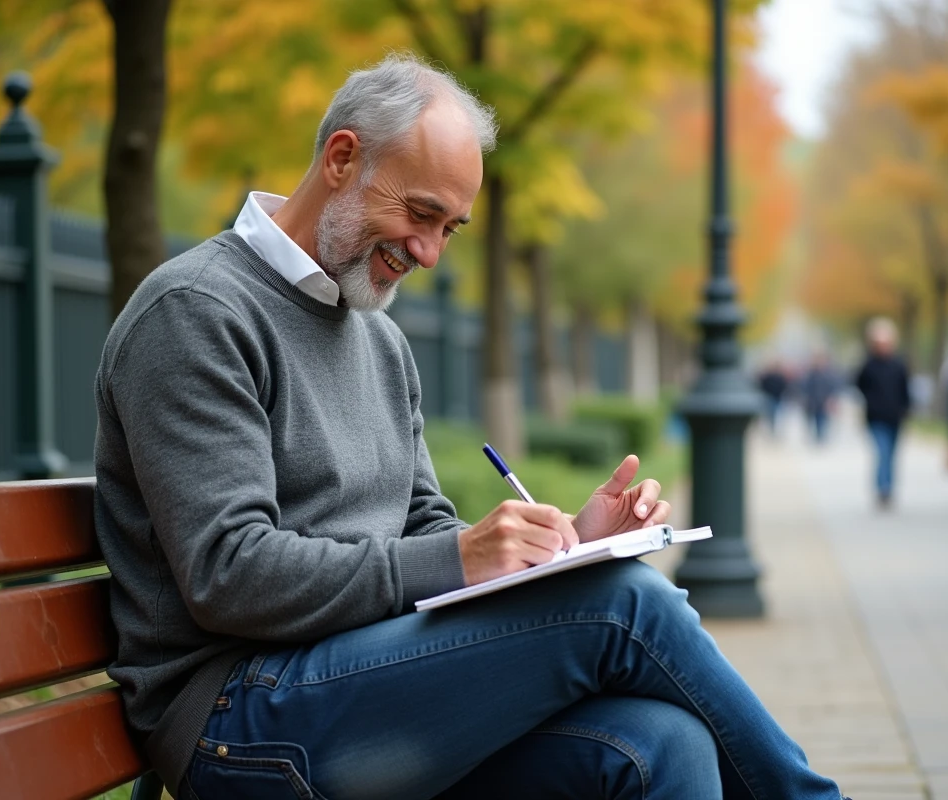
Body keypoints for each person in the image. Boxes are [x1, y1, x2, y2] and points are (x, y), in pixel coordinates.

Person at [94, 55, 848, 800]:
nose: (428, 252)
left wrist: (558, 552)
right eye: (420, 214)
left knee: (659, 745)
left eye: (450, 228)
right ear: (342, 157)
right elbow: (230, 574)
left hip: (358, 680)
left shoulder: (375, 337)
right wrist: (461, 559)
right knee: (624, 603)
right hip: (240, 716)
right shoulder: (196, 312)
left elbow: (420, 524)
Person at [854, 318, 910, 508]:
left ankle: (889, 486)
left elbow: (905, 389)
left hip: (895, 417)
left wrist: (906, 409)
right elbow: (858, 384)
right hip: (876, 417)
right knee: (882, 452)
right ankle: (882, 489)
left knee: (892, 455)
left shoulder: (898, 364)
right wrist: (871, 400)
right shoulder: (868, 365)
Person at [802, 351, 840, 444]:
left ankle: (821, 436)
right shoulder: (811, 374)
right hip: (813, 402)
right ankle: (818, 435)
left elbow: (833, 387)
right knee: (815, 419)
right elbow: (806, 387)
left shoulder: (829, 374)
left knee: (823, 419)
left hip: (825, 401)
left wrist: (832, 399)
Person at [758, 358, 789, 436]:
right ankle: (772, 429)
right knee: (770, 415)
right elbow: (762, 385)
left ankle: (776, 430)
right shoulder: (767, 376)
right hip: (770, 397)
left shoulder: (779, 376)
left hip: (777, 398)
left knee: (777, 415)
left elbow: (784, 386)